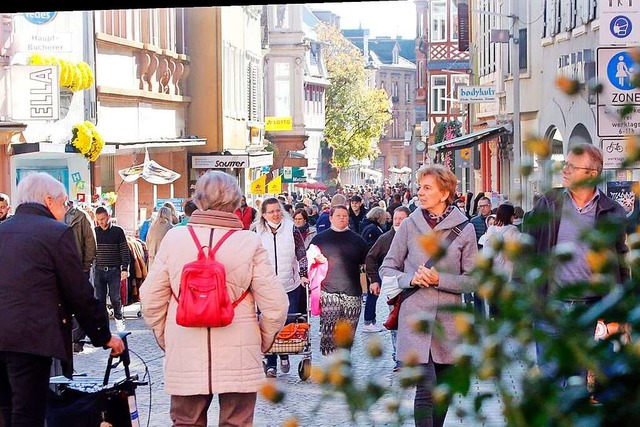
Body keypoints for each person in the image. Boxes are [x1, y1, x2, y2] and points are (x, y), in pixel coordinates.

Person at [140, 170, 288, 427]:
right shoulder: (248, 242)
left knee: (186, 422)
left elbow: (150, 298)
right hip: (239, 349)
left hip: (185, 346)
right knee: (236, 423)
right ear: (235, 202)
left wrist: (166, 336)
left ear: (198, 200)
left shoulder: (174, 238)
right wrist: (260, 340)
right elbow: (276, 305)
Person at [0, 172, 124, 427]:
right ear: (48, 200)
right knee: (27, 413)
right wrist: (103, 336)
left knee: (4, 410)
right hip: (30, 338)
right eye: (64, 202)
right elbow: (79, 292)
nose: (66, 208)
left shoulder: (3, 230)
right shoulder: (56, 233)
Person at [523, 143, 630, 385]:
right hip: (551, 306)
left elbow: (621, 264)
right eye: (566, 164)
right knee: (551, 381)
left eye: (572, 166)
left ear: (592, 174)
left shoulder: (612, 211)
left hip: (592, 309)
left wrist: (620, 312)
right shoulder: (549, 203)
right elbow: (527, 251)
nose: (565, 170)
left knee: (579, 382)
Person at [379, 164, 477, 427]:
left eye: (426, 188)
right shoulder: (409, 225)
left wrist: (439, 279)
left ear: (444, 193)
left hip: (448, 322)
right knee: (426, 389)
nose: (420, 192)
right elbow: (387, 267)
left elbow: (474, 279)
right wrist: (409, 278)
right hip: (415, 319)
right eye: (420, 187)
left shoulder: (464, 229)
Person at [255, 198, 309, 378]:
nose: (276, 214)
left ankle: (284, 354)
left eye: (278, 210)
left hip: (289, 283)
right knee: (269, 324)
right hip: (266, 286)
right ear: (264, 215)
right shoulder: (257, 231)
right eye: (271, 212)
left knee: (288, 322)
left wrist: (303, 274)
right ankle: (271, 364)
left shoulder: (291, 227)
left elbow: (301, 253)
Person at [308, 205, 369, 355]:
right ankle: (331, 365)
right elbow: (308, 260)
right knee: (329, 330)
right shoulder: (319, 239)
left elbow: (366, 265)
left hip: (352, 291)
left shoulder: (358, 240)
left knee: (348, 331)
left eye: (345, 215)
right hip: (328, 292)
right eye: (338, 215)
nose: (342, 218)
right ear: (330, 218)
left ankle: (343, 363)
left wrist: (369, 284)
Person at [365, 206, 411, 370]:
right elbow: (370, 258)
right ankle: (399, 357)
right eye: (396, 218)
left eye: (402, 218)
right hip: (394, 287)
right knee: (396, 322)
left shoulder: (415, 237)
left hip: (415, 285)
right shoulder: (385, 239)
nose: (398, 221)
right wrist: (374, 280)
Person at [64, 200, 98, 353]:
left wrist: (86, 265)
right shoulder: (52, 216)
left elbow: (90, 241)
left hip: (78, 267)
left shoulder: (81, 216)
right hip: (61, 269)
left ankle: (77, 340)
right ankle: (66, 339)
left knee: (79, 305)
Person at [94, 206, 131, 333]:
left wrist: (125, 268)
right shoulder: (95, 232)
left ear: (108, 217)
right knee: (100, 299)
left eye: (103, 219)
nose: (100, 222)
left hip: (114, 270)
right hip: (99, 270)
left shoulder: (118, 231)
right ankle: (103, 326)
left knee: (115, 297)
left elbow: (124, 250)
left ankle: (119, 319)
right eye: (98, 219)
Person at [480, 203, 520, 318]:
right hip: (508, 271)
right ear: (510, 216)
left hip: (492, 272)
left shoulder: (491, 229)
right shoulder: (513, 230)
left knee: (494, 300)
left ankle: (494, 320)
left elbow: (485, 252)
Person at [359, 206, 388, 333]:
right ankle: (368, 321)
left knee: (374, 294)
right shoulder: (372, 229)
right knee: (373, 294)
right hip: (373, 265)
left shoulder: (371, 227)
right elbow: (370, 248)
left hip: (374, 264)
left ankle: (372, 320)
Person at [468, 196, 492, 318]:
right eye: (480, 206)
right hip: (478, 259)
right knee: (478, 289)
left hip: (493, 260)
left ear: (490, 206)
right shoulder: (474, 222)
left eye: (485, 206)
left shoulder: (496, 219)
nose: (482, 208)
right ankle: (479, 317)